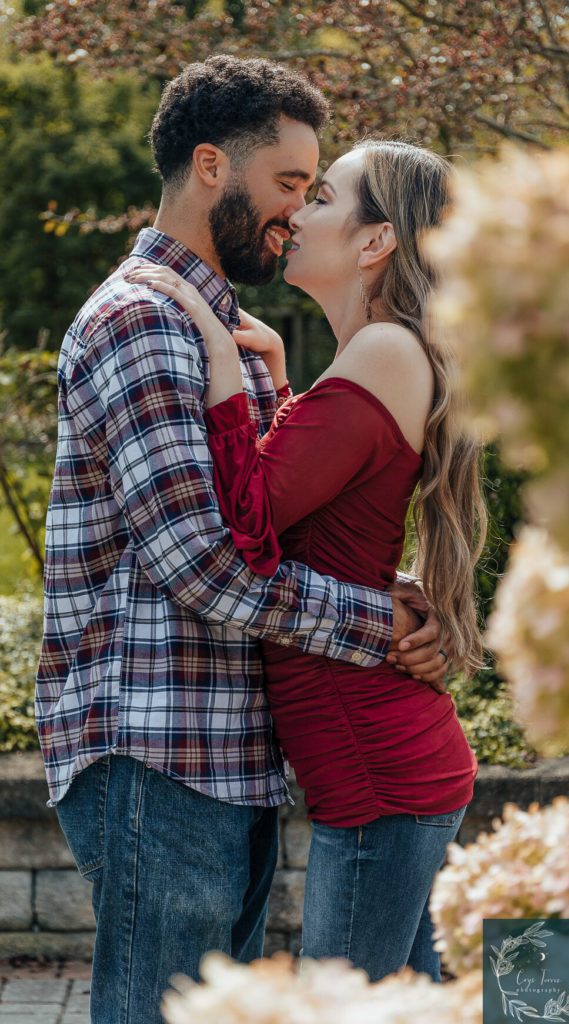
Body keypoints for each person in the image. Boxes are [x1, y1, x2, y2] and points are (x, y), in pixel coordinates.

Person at [37, 57, 448, 1024]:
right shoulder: (145, 321)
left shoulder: (223, 331)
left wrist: (399, 592)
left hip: (227, 751)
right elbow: (203, 562)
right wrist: (375, 622)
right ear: (214, 167)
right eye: (289, 183)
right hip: (159, 750)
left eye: (315, 191)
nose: (296, 213)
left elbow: (283, 525)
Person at [126, 137, 488, 984]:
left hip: (376, 774)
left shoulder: (386, 351)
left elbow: (244, 529)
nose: (296, 213)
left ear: (375, 242)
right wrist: (283, 387)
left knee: (343, 1007)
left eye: (322, 197)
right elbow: (328, 523)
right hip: (390, 769)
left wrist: (222, 371)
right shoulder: (377, 355)